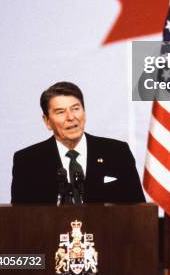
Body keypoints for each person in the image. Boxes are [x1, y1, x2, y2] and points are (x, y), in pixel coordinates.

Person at [11, 81, 145, 204]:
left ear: (84, 113)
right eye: (60, 112)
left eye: (75, 109)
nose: (71, 117)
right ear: (47, 121)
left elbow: (139, 212)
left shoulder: (117, 152)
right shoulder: (27, 161)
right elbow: (20, 220)